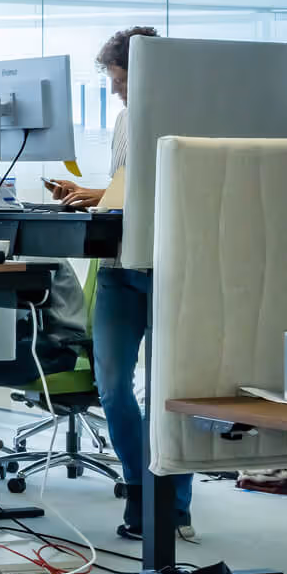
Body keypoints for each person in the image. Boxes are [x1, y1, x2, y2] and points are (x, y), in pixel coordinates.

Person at [43, 26, 194, 542]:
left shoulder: (184, 120)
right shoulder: (126, 120)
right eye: (111, 77)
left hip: (165, 267)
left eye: (120, 77)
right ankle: (139, 488)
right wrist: (89, 192)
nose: (114, 89)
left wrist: (99, 194)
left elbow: (166, 192)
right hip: (116, 267)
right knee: (111, 384)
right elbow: (129, 189)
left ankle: (174, 504)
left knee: (169, 390)